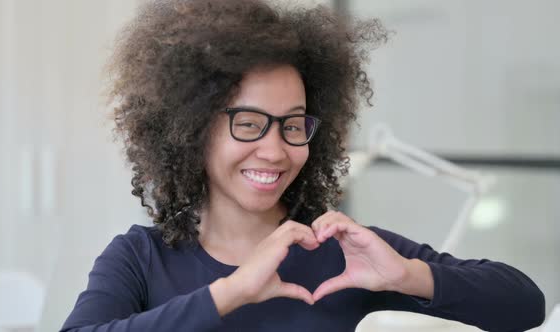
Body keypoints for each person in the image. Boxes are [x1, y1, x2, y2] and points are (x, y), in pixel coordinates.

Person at [60, 0, 546, 331]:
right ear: (193, 129)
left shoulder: (338, 252)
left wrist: (407, 276)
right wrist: (229, 293)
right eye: (248, 123)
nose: (275, 150)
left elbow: (524, 303)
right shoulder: (141, 258)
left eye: (293, 125)